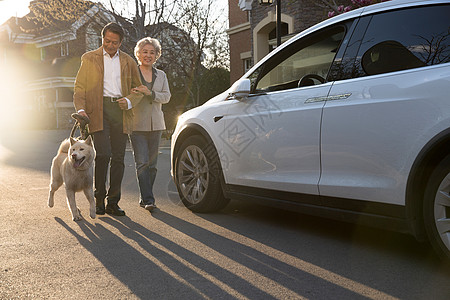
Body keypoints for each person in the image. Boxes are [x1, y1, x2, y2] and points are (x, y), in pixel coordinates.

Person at [73, 22, 143, 216]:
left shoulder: (128, 61)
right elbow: (79, 88)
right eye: (107, 41)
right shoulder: (89, 58)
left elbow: (138, 89)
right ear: (102, 39)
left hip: (120, 110)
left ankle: (113, 202)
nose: (110, 45)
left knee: (119, 158)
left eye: (114, 42)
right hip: (98, 110)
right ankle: (98, 200)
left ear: (121, 42)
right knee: (103, 154)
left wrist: (129, 101)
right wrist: (81, 109)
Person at [128, 37, 171, 212]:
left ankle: (145, 196)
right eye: (145, 52)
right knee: (142, 163)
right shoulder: (132, 74)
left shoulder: (161, 75)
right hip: (137, 125)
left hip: (157, 125)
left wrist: (150, 93)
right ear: (138, 54)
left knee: (152, 165)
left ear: (157, 55)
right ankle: (148, 199)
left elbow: (166, 97)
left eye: (152, 52)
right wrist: (132, 94)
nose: (148, 55)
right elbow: (125, 96)